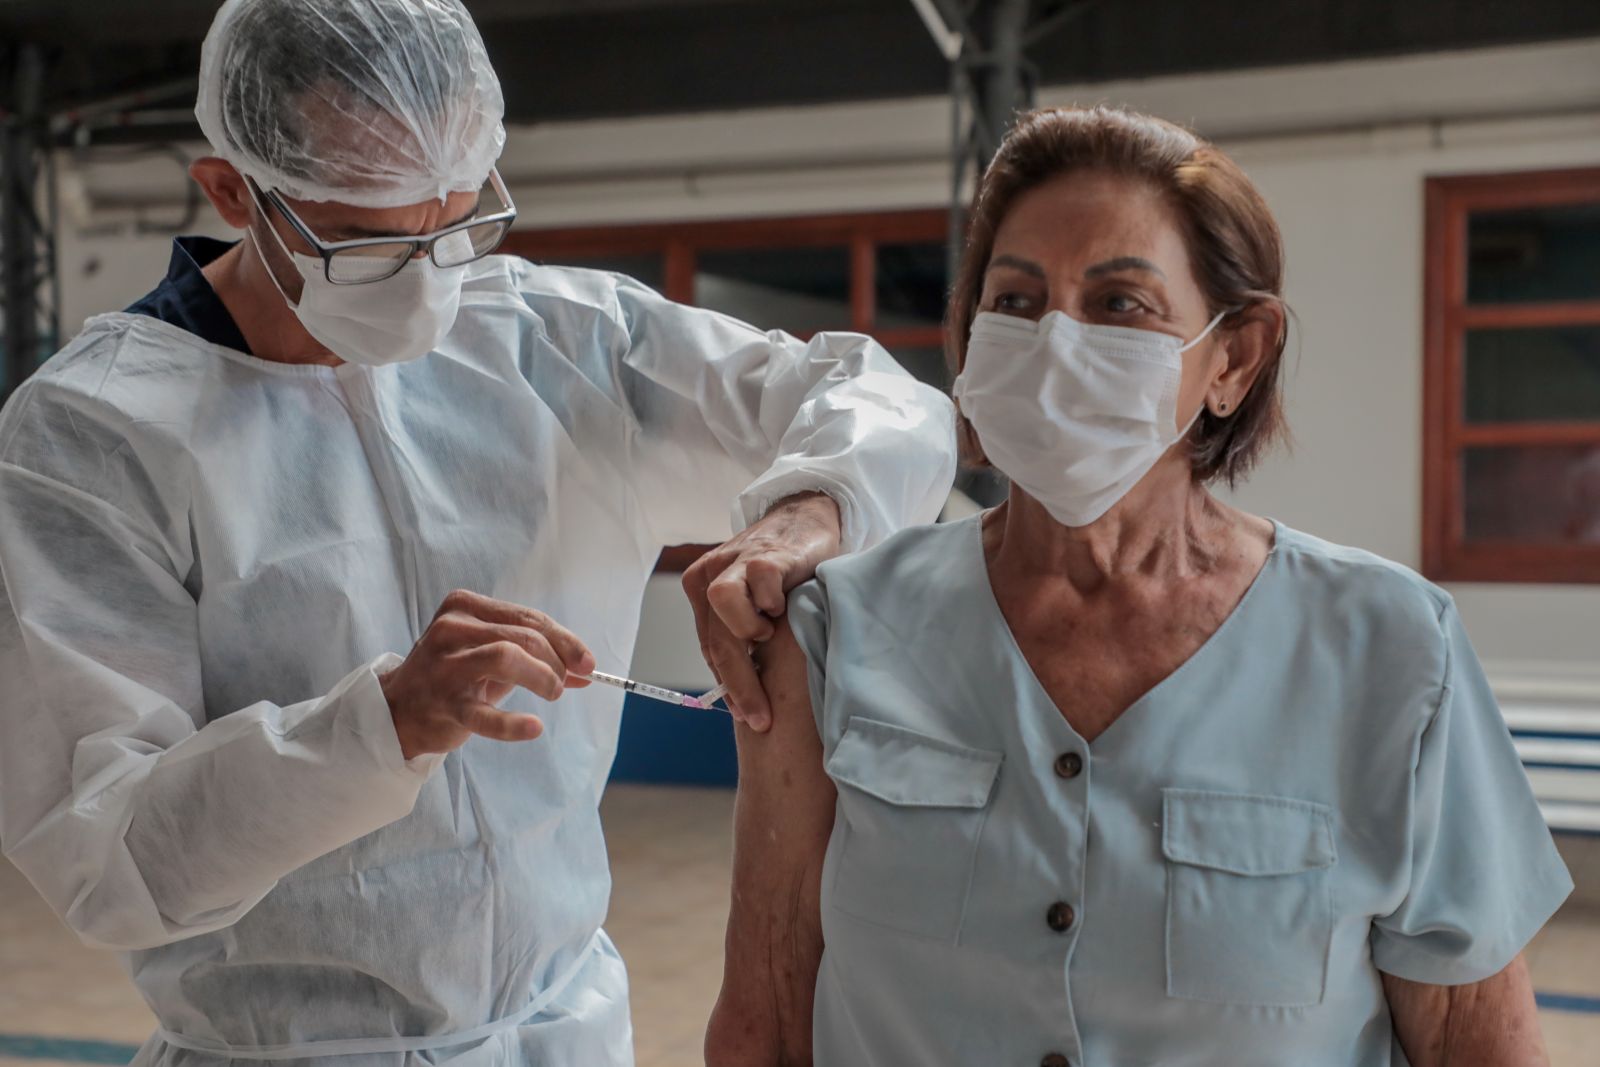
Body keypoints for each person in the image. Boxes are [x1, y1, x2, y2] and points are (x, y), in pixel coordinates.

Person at [0, 2, 956, 1065]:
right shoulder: (94, 432)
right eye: (369, 240)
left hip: (565, 1031)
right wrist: (380, 725)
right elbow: (114, 861)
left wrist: (807, 512)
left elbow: (874, 395)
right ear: (234, 191)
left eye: (455, 222)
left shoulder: (553, 339)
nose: (427, 275)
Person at [707, 106, 1572, 1067]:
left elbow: (1476, 1046)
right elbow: (766, 1015)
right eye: (1015, 301)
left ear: (1233, 358)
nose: (1054, 343)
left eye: (1120, 305)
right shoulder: (837, 632)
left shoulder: (1392, 651)